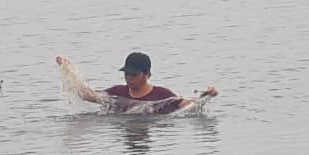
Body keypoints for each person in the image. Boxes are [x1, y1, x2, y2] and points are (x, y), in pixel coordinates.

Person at [57, 52, 216, 113]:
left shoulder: (162, 95)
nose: (129, 78)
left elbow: (187, 104)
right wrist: (68, 70)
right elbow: (89, 96)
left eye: (133, 74)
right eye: (126, 74)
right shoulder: (117, 93)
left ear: (147, 74)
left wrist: (206, 96)